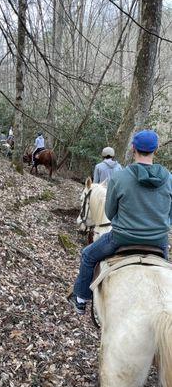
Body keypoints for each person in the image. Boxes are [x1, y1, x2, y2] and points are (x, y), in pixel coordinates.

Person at [69, 129, 172, 315]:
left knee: (88, 255)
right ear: (155, 150)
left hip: (122, 238)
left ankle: (81, 299)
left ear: (133, 148)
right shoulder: (169, 179)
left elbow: (110, 212)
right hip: (159, 242)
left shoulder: (120, 177)